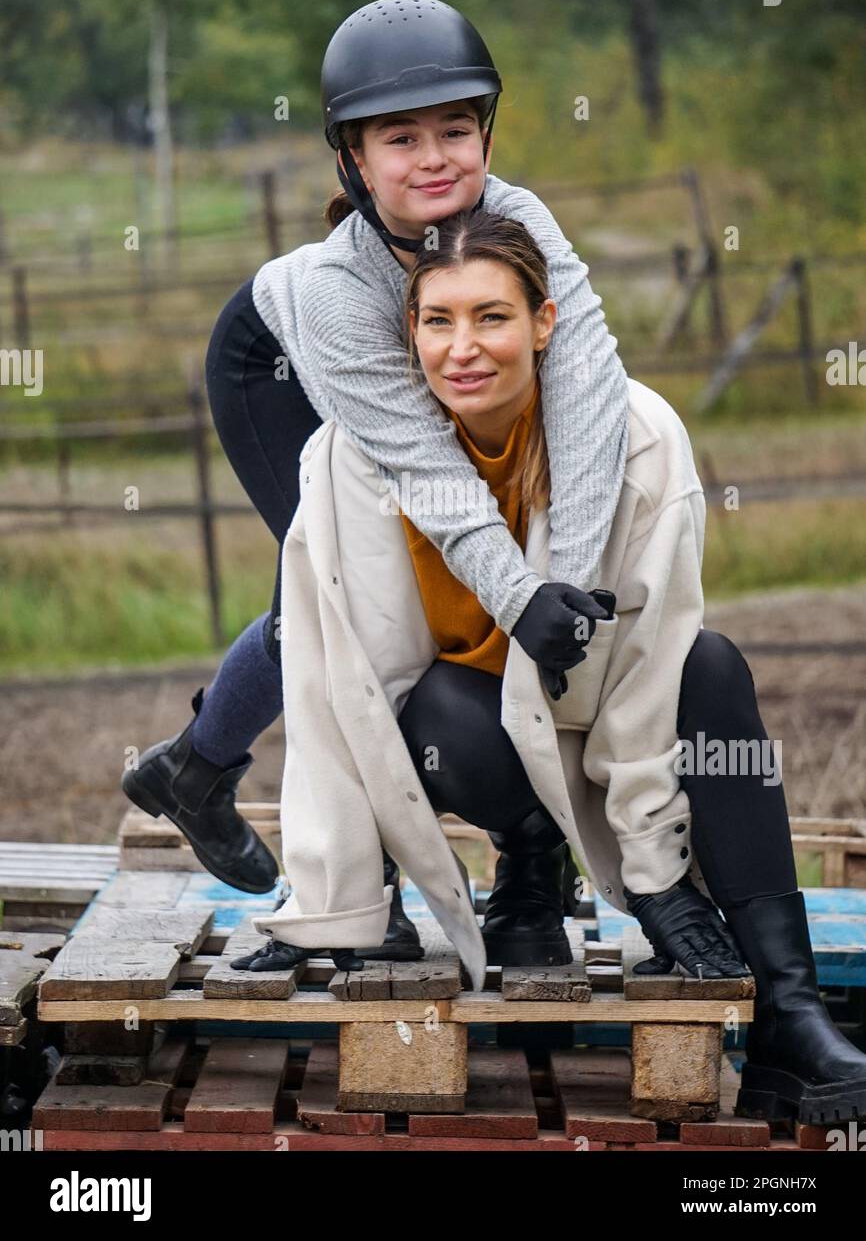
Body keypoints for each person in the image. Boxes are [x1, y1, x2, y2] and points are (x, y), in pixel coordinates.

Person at [237, 208, 866, 1127]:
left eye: (491, 316)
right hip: (464, 737)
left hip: (596, 719)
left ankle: (790, 1020)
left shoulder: (640, 434)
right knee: (437, 704)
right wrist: (336, 900)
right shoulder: (348, 457)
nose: (463, 349)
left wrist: (656, 881)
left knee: (714, 668)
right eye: (437, 320)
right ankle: (528, 857)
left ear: (544, 322)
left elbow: (651, 663)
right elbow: (344, 692)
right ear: (408, 332)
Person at [121, 0, 629, 959]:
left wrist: (569, 571)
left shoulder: (519, 218)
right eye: (402, 138)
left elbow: (589, 382)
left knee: (470, 580)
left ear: (489, 130)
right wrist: (520, 595)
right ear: (351, 157)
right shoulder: (336, 291)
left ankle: (197, 767)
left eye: (457, 129)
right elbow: (431, 475)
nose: (435, 157)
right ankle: (356, 894)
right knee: (342, 606)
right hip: (275, 367)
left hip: (427, 354)